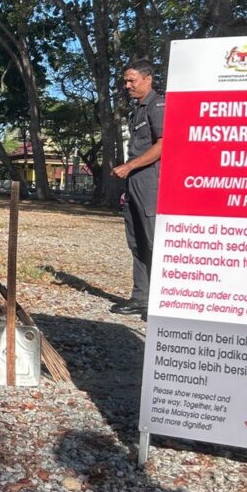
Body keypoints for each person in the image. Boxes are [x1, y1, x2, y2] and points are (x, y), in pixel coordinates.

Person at [110, 59, 164, 319]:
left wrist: (130, 166)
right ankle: (140, 298)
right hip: (134, 182)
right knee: (137, 242)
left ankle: (160, 302)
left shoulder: (158, 106)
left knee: (153, 242)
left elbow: (162, 146)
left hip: (150, 181)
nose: (127, 85)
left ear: (148, 79)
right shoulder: (137, 110)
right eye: (125, 80)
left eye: (132, 80)